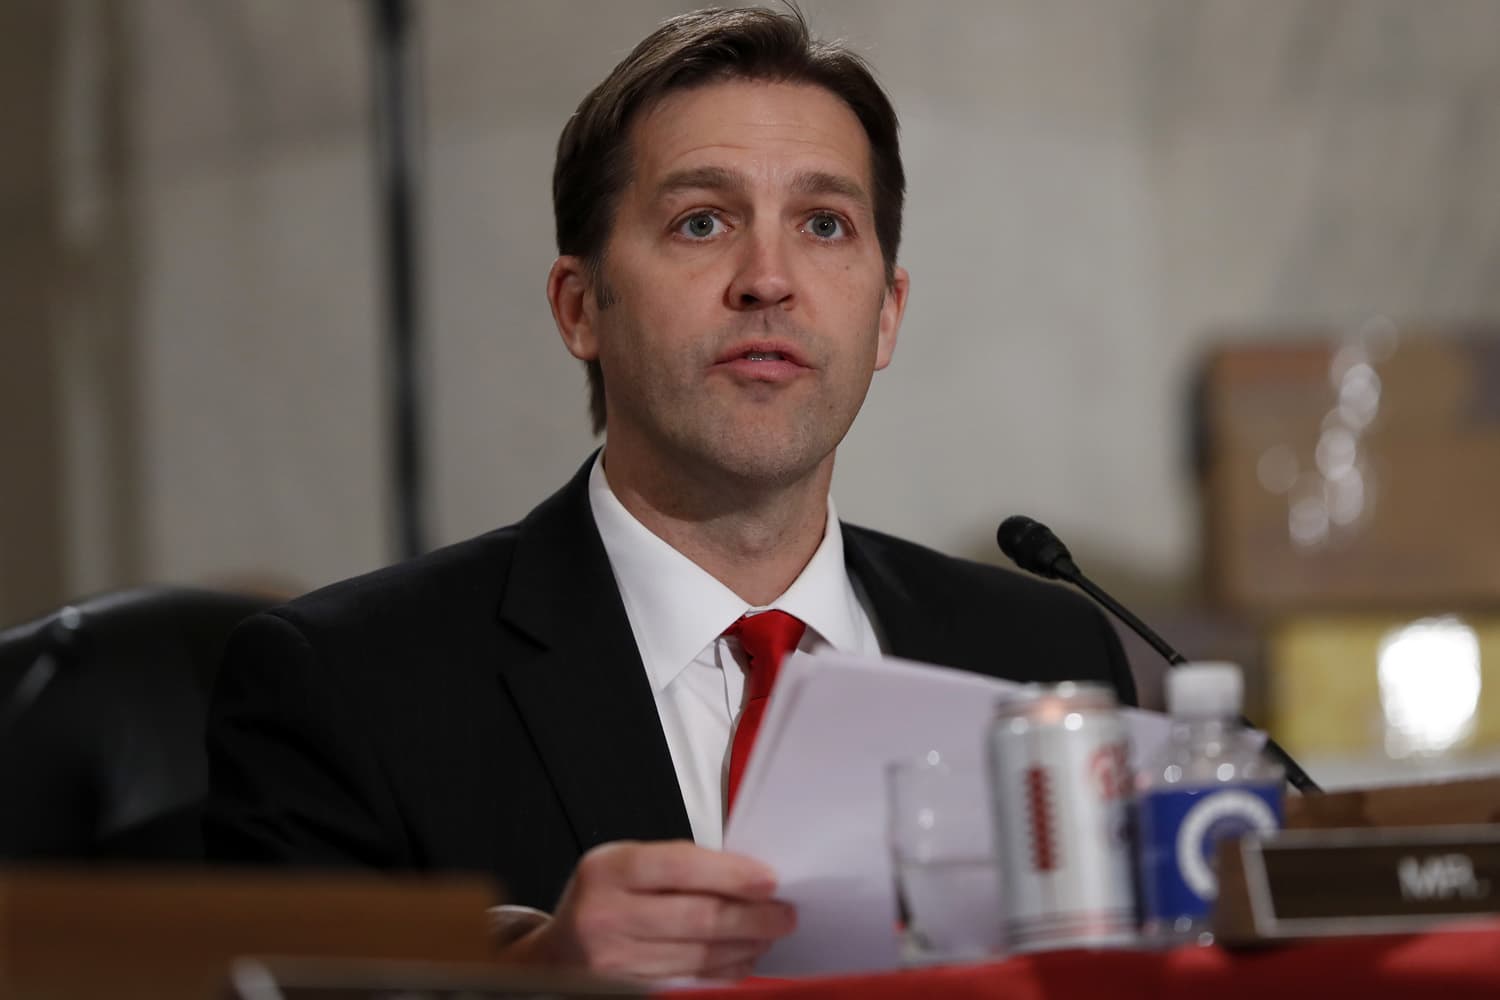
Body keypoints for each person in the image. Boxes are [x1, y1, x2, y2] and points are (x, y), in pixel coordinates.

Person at [204, 5, 1136, 982]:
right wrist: (541, 980)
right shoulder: (348, 688)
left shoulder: (1041, 661)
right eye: (702, 221)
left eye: (824, 224)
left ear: (887, 314)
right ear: (579, 307)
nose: (768, 280)